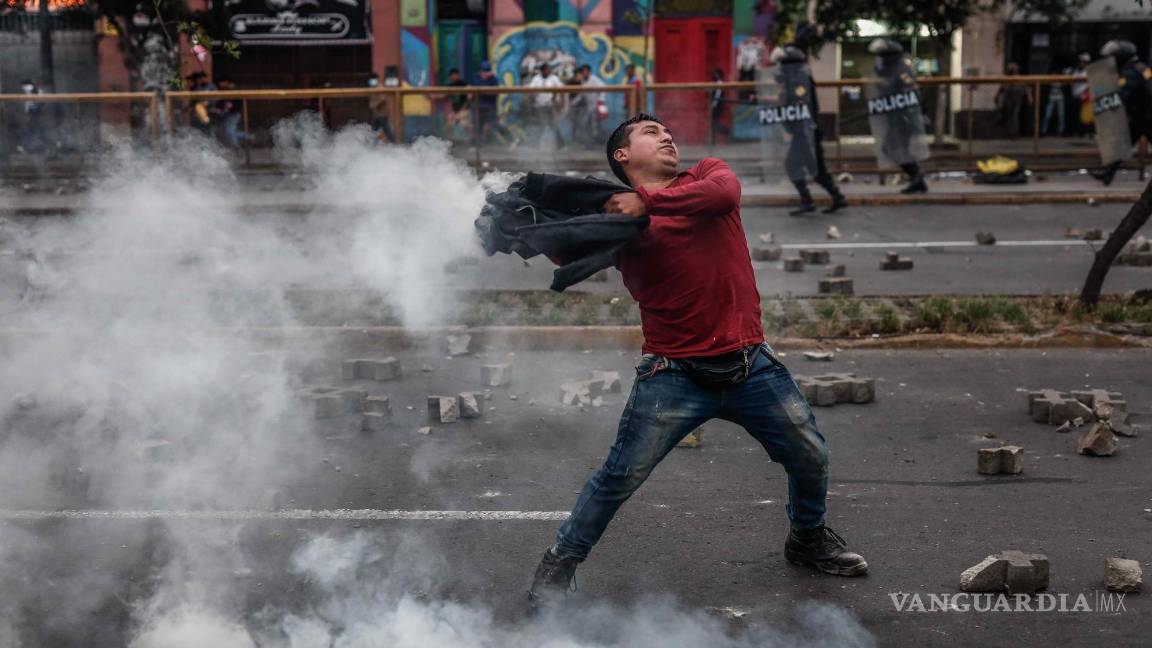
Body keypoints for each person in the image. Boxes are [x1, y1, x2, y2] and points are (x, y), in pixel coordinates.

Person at [525, 113, 868, 611]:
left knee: (809, 454)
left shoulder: (707, 174)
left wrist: (646, 199)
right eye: (650, 132)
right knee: (619, 476)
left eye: (667, 130)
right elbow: (564, 248)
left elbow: (724, 195)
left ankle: (807, 538)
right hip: (673, 374)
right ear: (622, 156)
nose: (666, 135)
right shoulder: (617, 218)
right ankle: (557, 567)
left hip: (751, 364)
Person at [771, 45, 848, 214]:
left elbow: (799, 104)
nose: (779, 69)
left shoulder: (799, 79)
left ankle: (809, 201)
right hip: (806, 131)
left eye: (781, 64)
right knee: (817, 169)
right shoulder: (797, 77)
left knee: (793, 165)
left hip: (806, 132)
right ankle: (836, 197)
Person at [1091, 40, 1152, 186]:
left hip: (1146, 117)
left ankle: (1107, 174)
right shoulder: (1142, 67)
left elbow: (1124, 94)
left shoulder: (1130, 72)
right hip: (1142, 116)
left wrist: (1105, 101)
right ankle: (1107, 174)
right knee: (1121, 144)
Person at [475, 60, 516, 146]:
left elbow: (492, 93)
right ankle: (477, 146)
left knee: (495, 125)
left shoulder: (494, 79)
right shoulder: (478, 78)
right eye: (483, 71)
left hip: (490, 107)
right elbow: (477, 87)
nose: (484, 73)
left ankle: (513, 139)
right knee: (478, 126)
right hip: (479, 106)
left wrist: (488, 78)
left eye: (486, 71)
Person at [526, 62, 566, 148]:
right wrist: (531, 100)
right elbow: (530, 90)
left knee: (553, 125)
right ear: (542, 70)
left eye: (549, 69)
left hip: (550, 105)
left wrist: (560, 101)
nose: (548, 71)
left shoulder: (554, 78)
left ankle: (560, 144)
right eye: (546, 69)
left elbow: (562, 88)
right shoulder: (536, 78)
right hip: (539, 105)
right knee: (541, 125)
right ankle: (535, 144)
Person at [995, 62, 1029, 138]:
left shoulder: (1020, 79)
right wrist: (997, 96)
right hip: (1009, 100)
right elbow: (1002, 88)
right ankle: (1011, 133)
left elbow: (1026, 88)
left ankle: (1014, 133)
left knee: (1014, 116)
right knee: (1009, 116)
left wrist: (1029, 97)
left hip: (1017, 100)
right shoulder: (1007, 79)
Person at [213, 76, 243, 150]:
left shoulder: (234, 89)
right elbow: (220, 102)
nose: (220, 84)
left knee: (229, 131)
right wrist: (219, 109)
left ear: (226, 82)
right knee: (226, 131)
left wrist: (232, 106)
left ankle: (236, 148)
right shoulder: (222, 90)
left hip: (234, 113)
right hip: (226, 114)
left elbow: (239, 103)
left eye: (222, 82)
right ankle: (248, 136)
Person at [367, 71, 397, 144]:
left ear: (377, 79)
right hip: (377, 115)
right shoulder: (372, 88)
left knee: (386, 132)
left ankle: (395, 146)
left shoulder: (380, 87)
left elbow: (382, 98)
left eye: (373, 79)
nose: (372, 81)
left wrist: (373, 105)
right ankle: (371, 146)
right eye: (371, 79)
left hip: (382, 115)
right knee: (374, 132)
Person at [444, 68, 471, 139]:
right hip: (454, 110)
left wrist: (469, 97)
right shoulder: (450, 86)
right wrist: (430, 96)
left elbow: (470, 93)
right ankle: (450, 142)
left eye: (455, 75)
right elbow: (442, 94)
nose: (453, 77)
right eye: (452, 75)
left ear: (458, 75)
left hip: (463, 109)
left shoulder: (463, 84)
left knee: (465, 125)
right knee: (448, 125)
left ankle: (472, 141)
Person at [708, 68, 731, 145]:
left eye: (716, 74)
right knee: (713, 123)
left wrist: (713, 105)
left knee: (715, 123)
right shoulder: (716, 83)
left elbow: (717, 96)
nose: (714, 76)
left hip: (717, 107)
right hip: (716, 106)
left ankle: (727, 132)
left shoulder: (720, 83)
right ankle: (713, 140)